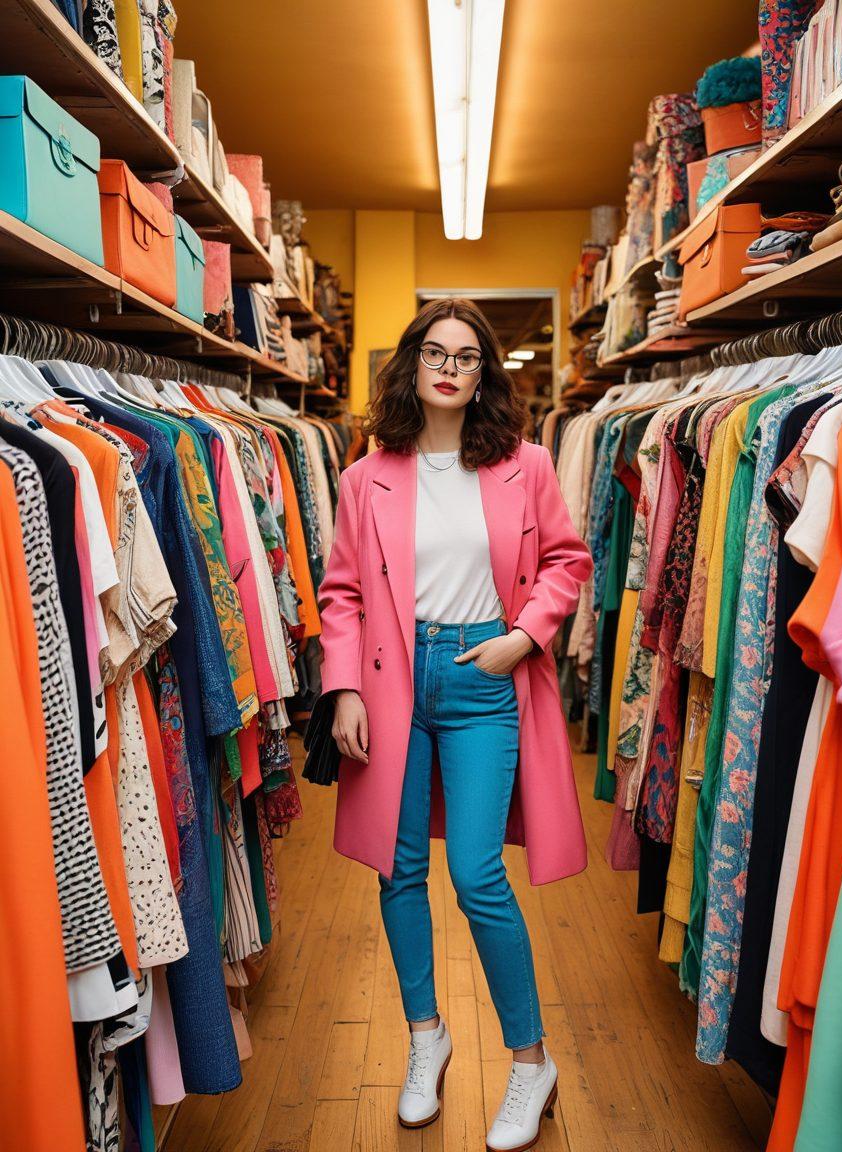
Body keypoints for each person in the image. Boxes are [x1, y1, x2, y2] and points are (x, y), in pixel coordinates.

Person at [316, 297, 593, 1151]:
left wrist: (522, 637)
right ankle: (425, 1038)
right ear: (410, 363)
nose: (450, 367)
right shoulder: (367, 475)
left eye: (468, 357)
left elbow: (566, 561)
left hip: (483, 677)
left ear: (484, 375)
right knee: (398, 871)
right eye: (436, 352)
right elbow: (344, 593)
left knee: (476, 875)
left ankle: (529, 1061)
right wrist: (344, 691)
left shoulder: (526, 464)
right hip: (392, 680)